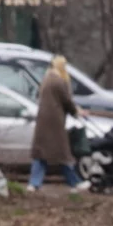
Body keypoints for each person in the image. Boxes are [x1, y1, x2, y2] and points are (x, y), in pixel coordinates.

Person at [29, 55, 87, 193]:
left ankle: (34, 183)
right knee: (62, 154)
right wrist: (76, 112)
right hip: (55, 123)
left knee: (41, 154)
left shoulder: (47, 78)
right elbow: (66, 100)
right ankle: (75, 182)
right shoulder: (58, 81)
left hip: (44, 122)